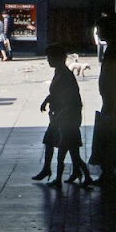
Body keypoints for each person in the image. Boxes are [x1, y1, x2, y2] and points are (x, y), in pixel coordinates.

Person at [33, 43, 92, 188]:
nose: (48, 60)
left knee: (67, 147)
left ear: (58, 58)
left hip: (66, 117)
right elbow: (55, 92)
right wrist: (46, 100)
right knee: (52, 141)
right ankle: (55, 170)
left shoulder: (65, 74)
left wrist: (62, 113)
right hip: (59, 115)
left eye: (50, 58)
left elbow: (70, 98)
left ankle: (72, 174)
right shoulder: (59, 72)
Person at [90, 14, 116, 186]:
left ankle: (108, 173)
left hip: (112, 102)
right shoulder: (111, 48)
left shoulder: (114, 50)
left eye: (100, 29)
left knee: (109, 137)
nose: (98, 33)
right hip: (109, 100)